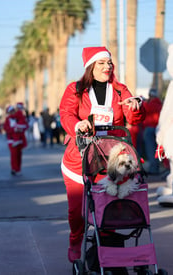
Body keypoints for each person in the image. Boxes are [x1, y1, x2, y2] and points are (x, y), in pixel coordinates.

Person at [59, 46, 145, 263]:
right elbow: (66, 114)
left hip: (110, 160)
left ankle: (107, 248)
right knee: (77, 211)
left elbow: (134, 119)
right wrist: (78, 125)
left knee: (109, 208)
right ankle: (75, 239)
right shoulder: (75, 89)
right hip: (78, 159)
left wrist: (134, 107)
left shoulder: (119, 90)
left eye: (109, 63)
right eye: (102, 63)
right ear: (91, 66)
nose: (108, 66)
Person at [3, 104, 29, 175]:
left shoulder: (19, 117)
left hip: (19, 140)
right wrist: (14, 129)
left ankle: (18, 169)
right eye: (11, 111)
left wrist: (21, 129)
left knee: (19, 155)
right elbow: (6, 128)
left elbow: (26, 125)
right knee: (13, 155)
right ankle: (14, 169)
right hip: (11, 140)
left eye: (13, 110)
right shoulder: (7, 119)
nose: (12, 112)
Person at [142, 88, 162, 174]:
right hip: (159, 129)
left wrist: (144, 102)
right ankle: (157, 168)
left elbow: (144, 109)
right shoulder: (160, 104)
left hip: (149, 129)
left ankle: (153, 169)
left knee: (151, 150)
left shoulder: (148, 104)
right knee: (158, 150)